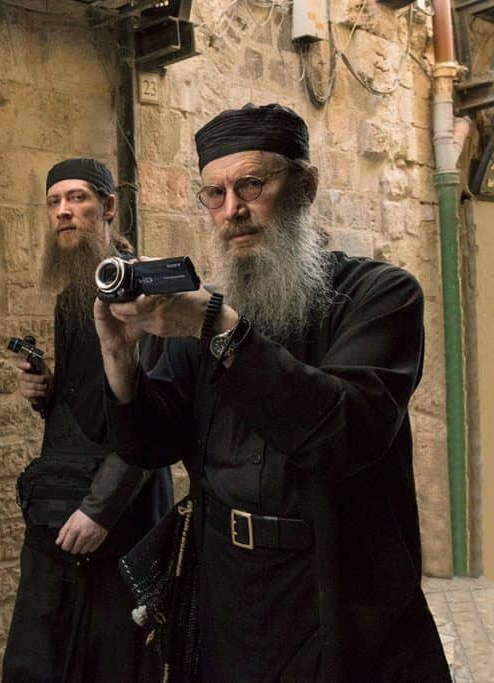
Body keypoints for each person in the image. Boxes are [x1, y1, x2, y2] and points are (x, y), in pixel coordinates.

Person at [95, 104, 450, 680]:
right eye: (215, 194)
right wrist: (118, 354)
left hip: (335, 588)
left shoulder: (381, 295)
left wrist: (219, 327)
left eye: (251, 185)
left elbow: (344, 432)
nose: (232, 210)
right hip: (226, 589)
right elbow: (148, 444)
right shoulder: (204, 311)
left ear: (304, 187)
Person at [2, 159, 174, 683]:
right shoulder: (69, 294)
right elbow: (88, 403)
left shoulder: (147, 293)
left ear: (109, 206)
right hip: (63, 504)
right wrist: (47, 391)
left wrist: (99, 510)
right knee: (44, 655)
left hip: (122, 511)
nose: (63, 211)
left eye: (76, 198)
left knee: (116, 659)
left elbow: (153, 418)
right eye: (54, 202)